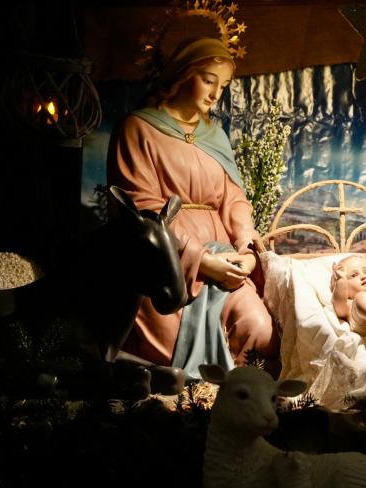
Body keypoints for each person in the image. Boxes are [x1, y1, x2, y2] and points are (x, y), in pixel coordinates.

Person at [107, 36, 279, 379]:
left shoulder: (215, 137)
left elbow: (233, 199)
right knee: (168, 353)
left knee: (261, 332)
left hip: (226, 257)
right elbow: (142, 211)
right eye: (208, 80)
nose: (216, 94)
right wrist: (202, 261)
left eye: (224, 85)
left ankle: (238, 403)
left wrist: (246, 247)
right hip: (168, 265)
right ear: (182, 74)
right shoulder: (138, 129)